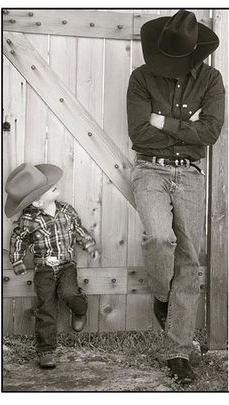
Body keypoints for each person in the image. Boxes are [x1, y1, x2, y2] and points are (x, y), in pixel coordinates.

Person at [127, 9, 225, 384]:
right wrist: (187, 128)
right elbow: (138, 133)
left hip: (190, 174)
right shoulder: (140, 78)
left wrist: (163, 122)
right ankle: (163, 297)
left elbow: (211, 132)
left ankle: (178, 351)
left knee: (188, 259)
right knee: (159, 237)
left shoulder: (212, 80)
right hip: (149, 168)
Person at [5, 162, 99, 369]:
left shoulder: (67, 211)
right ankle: (46, 351)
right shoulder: (29, 220)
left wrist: (90, 246)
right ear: (37, 203)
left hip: (66, 265)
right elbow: (18, 239)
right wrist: (18, 260)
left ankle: (80, 309)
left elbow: (78, 230)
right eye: (47, 188)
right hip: (44, 269)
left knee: (69, 293)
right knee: (46, 307)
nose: (54, 185)